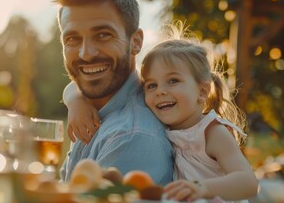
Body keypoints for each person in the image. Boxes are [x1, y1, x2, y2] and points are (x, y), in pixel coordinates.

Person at [66, 23, 258, 202]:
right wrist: (76, 100)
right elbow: (113, 88)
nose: (160, 91)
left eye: (173, 80)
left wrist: (201, 188)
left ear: (202, 91)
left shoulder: (212, 132)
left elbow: (248, 183)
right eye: (151, 85)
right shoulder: (160, 123)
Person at [51, 0, 173, 185]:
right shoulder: (92, 112)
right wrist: (74, 98)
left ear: (135, 42)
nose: (86, 54)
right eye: (72, 39)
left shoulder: (131, 136)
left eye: (103, 35)